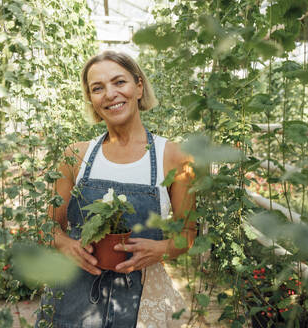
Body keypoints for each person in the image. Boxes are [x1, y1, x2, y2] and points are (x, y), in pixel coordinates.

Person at [36, 50, 196, 328]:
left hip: (139, 304)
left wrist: (163, 249)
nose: (110, 94)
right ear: (91, 99)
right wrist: (65, 244)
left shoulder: (174, 157)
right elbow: (47, 226)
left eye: (119, 82)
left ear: (138, 87)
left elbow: (189, 234)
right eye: (97, 88)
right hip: (71, 300)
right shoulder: (76, 155)